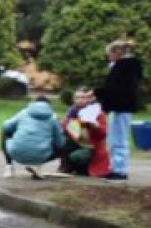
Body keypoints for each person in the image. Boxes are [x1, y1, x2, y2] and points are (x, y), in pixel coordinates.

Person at [93, 39, 144, 181]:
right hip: (121, 106)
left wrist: (97, 93)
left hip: (120, 106)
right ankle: (115, 167)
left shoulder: (122, 68)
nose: (108, 57)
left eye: (109, 54)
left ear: (117, 53)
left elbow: (114, 89)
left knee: (119, 139)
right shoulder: (128, 67)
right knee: (115, 138)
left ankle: (119, 170)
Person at [0, 95, 68, 179]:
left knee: (5, 132)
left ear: (34, 103)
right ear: (49, 106)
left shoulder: (23, 112)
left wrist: (19, 128)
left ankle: (9, 166)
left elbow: (6, 126)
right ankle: (37, 166)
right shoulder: (52, 118)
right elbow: (60, 143)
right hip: (40, 155)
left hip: (16, 153)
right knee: (61, 144)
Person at [60, 87, 110, 178]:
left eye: (83, 97)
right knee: (61, 143)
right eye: (77, 97)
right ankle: (67, 166)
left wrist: (96, 126)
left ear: (88, 99)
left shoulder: (97, 113)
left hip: (91, 146)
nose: (80, 100)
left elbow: (103, 134)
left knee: (78, 156)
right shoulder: (71, 112)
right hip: (77, 141)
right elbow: (64, 128)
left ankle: (83, 168)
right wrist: (68, 125)